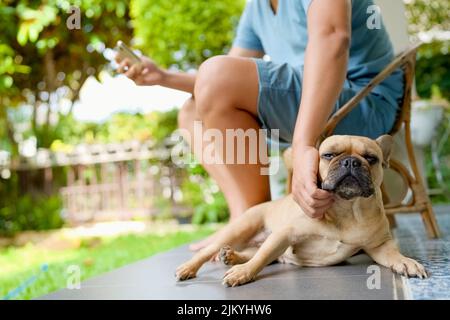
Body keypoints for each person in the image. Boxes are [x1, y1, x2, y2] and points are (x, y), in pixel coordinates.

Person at [116, 0, 403, 250]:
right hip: (317, 102)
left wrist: (303, 144)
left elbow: (333, 37)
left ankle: (255, 225)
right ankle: (245, 219)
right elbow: (216, 80)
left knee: (218, 77)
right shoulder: (257, 8)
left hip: (363, 101)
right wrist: (162, 76)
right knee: (192, 113)